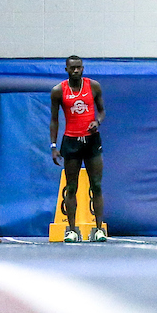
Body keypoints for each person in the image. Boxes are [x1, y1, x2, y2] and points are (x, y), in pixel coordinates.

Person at [50, 55, 107, 243]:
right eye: (72, 68)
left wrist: (97, 122)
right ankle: (72, 230)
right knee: (71, 187)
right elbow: (55, 119)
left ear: (83, 68)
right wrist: (53, 146)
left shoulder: (94, 86)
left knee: (96, 185)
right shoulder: (59, 91)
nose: (76, 71)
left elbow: (102, 111)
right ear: (66, 69)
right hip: (71, 141)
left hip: (91, 140)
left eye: (79, 68)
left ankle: (99, 229)